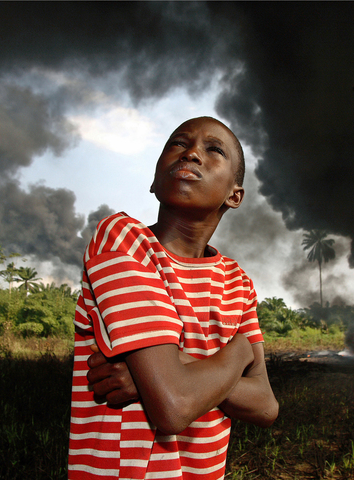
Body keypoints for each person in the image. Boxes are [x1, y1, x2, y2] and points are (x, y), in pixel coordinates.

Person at [68, 117, 279, 480]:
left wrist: (159, 371)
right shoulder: (122, 241)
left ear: (235, 194)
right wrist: (240, 351)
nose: (192, 153)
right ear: (154, 179)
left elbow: (265, 406)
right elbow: (174, 406)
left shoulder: (237, 282)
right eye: (177, 144)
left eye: (214, 150)